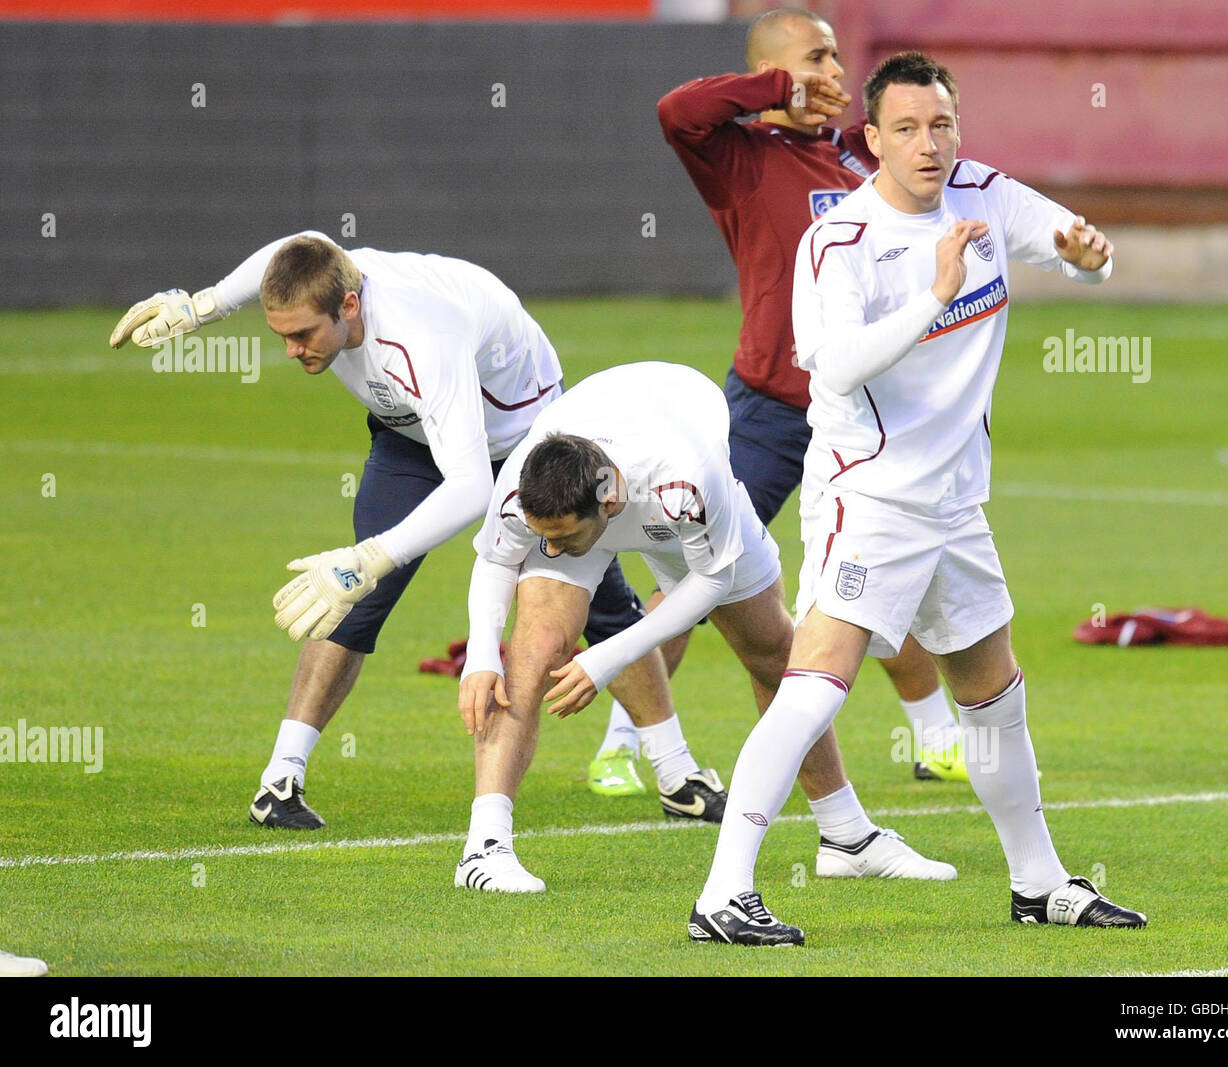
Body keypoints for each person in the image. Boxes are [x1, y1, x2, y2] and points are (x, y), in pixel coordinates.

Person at [688, 52, 1148, 945]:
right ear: (872, 140)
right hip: (871, 497)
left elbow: (1077, 249)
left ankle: (1038, 882)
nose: (928, 144)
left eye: (940, 125)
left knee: (990, 695)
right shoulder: (840, 239)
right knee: (816, 685)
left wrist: (1089, 260)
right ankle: (721, 892)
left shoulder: (983, 191)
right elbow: (837, 361)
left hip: (954, 506)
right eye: (905, 129)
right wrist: (935, 295)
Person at [108, 233, 720, 829]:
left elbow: (472, 485)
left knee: (601, 605)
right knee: (349, 600)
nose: (293, 351)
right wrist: (204, 304)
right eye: (282, 336)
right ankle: (279, 781)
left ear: (349, 306)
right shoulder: (328, 270)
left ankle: (676, 775)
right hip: (411, 439)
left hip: (523, 446)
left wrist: (373, 556)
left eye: (302, 335)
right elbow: (296, 243)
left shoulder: (423, 338)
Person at [595, 5, 967, 799]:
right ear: (776, 71)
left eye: (836, 60)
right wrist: (775, 88)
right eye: (819, 58)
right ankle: (626, 744)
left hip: (867, 414)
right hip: (768, 409)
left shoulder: (859, 163)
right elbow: (677, 111)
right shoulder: (741, 157)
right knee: (701, 570)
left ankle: (939, 738)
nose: (836, 74)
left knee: (885, 571)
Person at [456, 362, 956, 892]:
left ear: (610, 502)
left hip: (676, 500)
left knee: (776, 652)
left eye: (560, 539)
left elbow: (708, 585)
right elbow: (496, 560)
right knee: (532, 648)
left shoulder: (688, 479)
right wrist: (482, 655)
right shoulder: (525, 488)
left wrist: (607, 656)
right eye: (543, 538)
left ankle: (847, 838)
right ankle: (484, 848)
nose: (548, 550)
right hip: (600, 477)